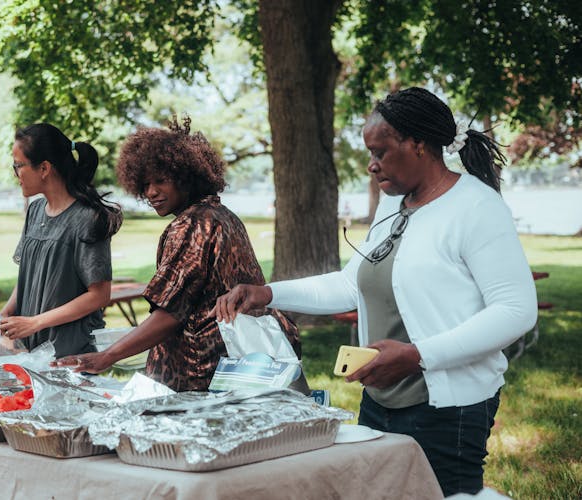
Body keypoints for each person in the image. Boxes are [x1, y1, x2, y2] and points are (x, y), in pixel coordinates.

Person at [213, 87, 537, 496]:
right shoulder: (394, 205)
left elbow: (516, 309)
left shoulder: (476, 207)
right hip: (380, 400)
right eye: (370, 153)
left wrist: (418, 355)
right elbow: (352, 284)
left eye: (381, 152)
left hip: (447, 408)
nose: (372, 165)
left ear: (418, 145)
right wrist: (269, 293)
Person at [51, 117, 304, 392]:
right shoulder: (224, 216)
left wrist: (106, 357)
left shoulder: (192, 225)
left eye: (161, 181)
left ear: (187, 177)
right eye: (144, 184)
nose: (151, 192)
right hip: (235, 372)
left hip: (199, 379)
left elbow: (170, 314)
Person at [0, 123, 122, 358]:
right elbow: (30, 274)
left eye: (18, 165)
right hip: (32, 354)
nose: (15, 173)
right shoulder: (35, 210)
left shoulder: (87, 218)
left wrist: (35, 322)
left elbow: (99, 295)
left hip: (72, 356)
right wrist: (5, 313)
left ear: (44, 168)